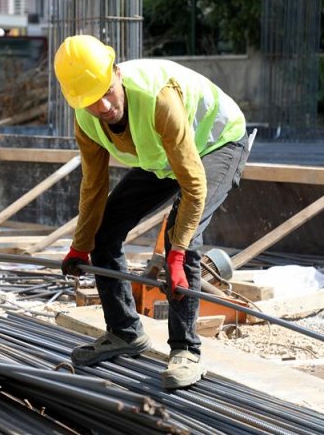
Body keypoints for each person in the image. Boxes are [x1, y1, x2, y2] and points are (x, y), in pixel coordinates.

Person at [54, 34, 248, 389]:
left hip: (217, 142)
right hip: (160, 155)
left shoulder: (157, 98)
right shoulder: (86, 118)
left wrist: (175, 256)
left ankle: (186, 350)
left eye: (106, 92)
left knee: (183, 237)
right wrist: (81, 244)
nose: (104, 106)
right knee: (105, 231)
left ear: (115, 72)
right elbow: (93, 187)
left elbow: (193, 185)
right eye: (91, 101)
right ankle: (125, 333)